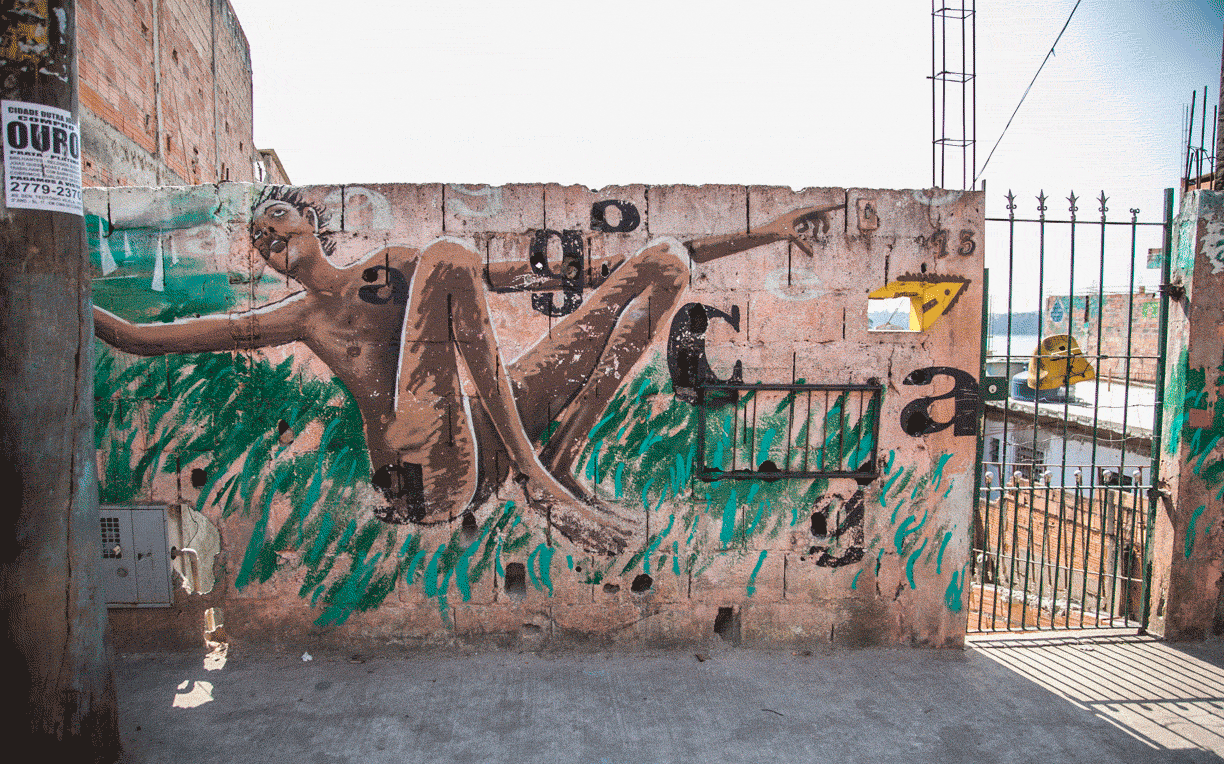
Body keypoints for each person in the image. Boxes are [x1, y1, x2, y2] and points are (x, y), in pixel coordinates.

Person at [95, 185, 841, 554]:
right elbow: (142, 340)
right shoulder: (300, 317)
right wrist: (60, 296)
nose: (266, 239)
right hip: (423, 478)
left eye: (276, 222)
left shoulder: (395, 267)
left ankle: (556, 461)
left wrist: (766, 234)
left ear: (313, 222)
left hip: (483, 437)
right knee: (450, 256)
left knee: (663, 262)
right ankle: (538, 479)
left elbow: (561, 275)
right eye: (257, 238)